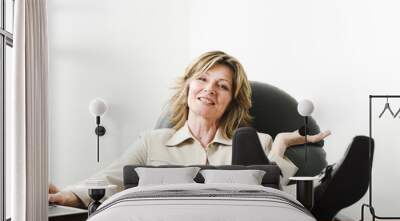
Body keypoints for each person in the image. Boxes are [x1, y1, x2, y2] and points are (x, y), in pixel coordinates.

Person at [49, 51, 330, 208]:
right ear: (188, 86)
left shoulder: (257, 140)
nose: (210, 89)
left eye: (222, 85)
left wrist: (280, 145)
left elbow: (273, 193)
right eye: (203, 79)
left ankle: (332, 188)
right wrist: (67, 195)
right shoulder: (152, 142)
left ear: (232, 100)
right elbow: (109, 178)